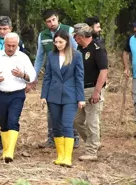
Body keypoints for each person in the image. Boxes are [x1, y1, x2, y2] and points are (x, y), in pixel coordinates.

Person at [0, 32, 36, 163]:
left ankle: (9, 152)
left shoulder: (23, 57)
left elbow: (32, 75)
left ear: (17, 45)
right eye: (8, 45)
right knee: (3, 122)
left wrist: (22, 75)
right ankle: (6, 147)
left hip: (17, 94)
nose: (11, 48)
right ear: (4, 44)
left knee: (13, 120)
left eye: (14, 45)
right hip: (0, 93)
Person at [32, 9, 79, 149]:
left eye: (53, 20)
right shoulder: (43, 35)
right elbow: (40, 57)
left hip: (69, 76)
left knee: (69, 109)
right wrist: (33, 77)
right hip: (53, 77)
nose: (51, 23)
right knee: (52, 109)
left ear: (57, 18)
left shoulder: (69, 30)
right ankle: (52, 138)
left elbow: (76, 53)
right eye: (48, 21)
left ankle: (74, 137)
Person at [41, 29, 85, 167]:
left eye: (61, 42)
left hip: (70, 96)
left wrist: (81, 98)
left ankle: (68, 157)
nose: (58, 44)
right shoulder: (51, 55)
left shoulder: (76, 55)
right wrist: (44, 95)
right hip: (53, 95)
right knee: (56, 126)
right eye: (56, 42)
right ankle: (60, 156)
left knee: (67, 125)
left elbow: (79, 78)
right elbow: (47, 77)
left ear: (67, 41)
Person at [0, 16, 25, 154]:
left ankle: (8, 143)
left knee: (13, 115)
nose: (2, 31)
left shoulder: (18, 43)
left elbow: (23, 62)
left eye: (5, 29)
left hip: (15, 83)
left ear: (11, 29)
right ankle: (3, 135)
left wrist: (26, 80)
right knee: (0, 113)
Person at [73, 23, 108, 161]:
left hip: (93, 88)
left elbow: (103, 71)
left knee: (92, 121)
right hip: (80, 90)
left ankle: (91, 151)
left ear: (81, 36)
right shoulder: (79, 49)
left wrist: (97, 92)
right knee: (76, 120)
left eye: (75, 36)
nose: (74, 39)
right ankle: (93, 142)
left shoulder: (97, 49)